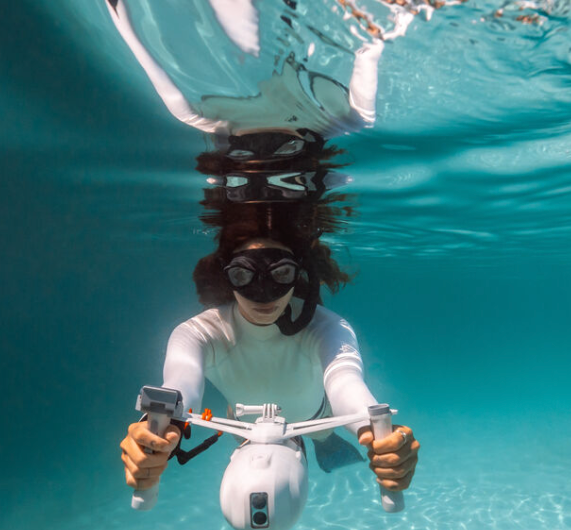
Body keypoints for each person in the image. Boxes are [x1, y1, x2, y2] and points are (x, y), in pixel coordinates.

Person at [120, 132, 419, 503]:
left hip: (316, 420)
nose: (263, 294)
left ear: (299, 276)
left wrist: (376, 435)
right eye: (244, 275)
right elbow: (181, 384)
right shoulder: (198, 334)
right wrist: (156, 430)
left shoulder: (327, 328)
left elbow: (346, 385)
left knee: (323, 434)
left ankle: (324, 442)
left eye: (280, 275)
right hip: (244, 430)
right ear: (226, 277)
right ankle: (323, 442)